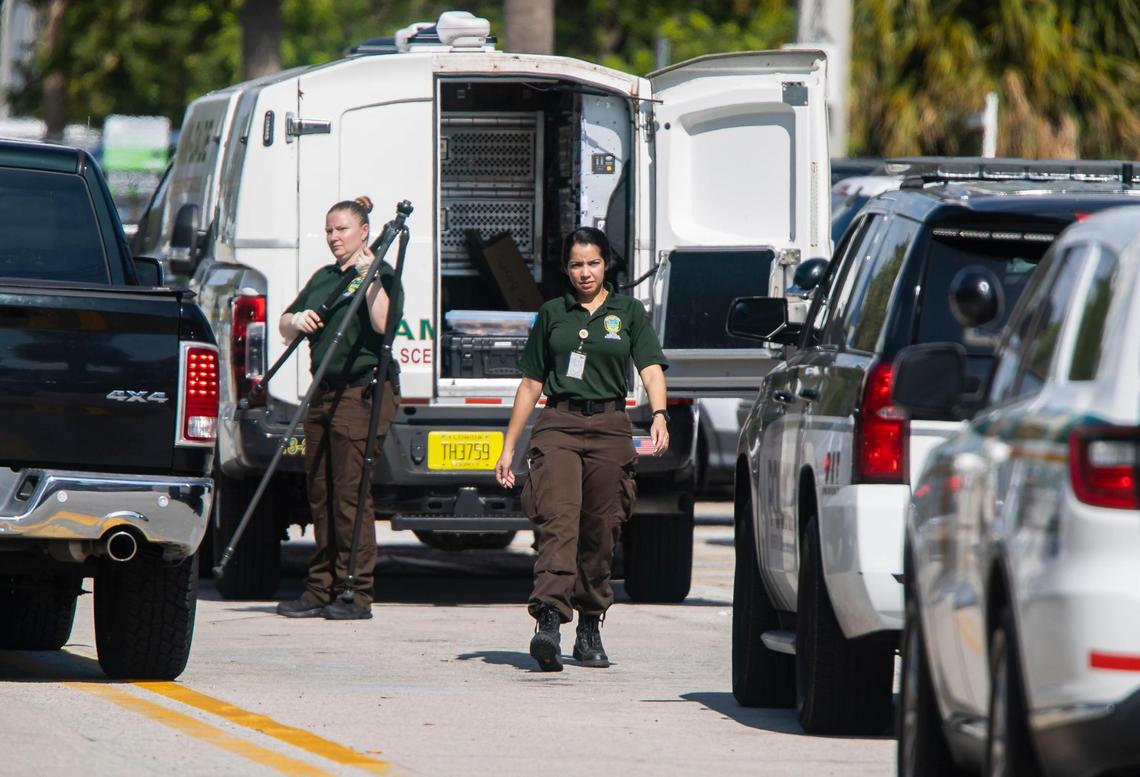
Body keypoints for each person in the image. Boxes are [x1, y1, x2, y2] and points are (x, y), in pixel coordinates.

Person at [495, 227, 670, 671]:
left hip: (610, 425)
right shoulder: (553, 313)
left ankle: (590, 623)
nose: (585, 272)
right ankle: (549, 621)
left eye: (593, 263)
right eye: (576, 265)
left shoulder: (628, 311)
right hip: (559, 423)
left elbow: (650, 367)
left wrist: (660, 414)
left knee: (601, 528)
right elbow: (531, 383)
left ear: (606, 264)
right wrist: (509, 447)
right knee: (558, 522)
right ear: (566, 269)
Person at [275, 195, 402, 620]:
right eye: (329, 230)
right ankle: (321, 587)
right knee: (320, 491)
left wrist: (369, 275)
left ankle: (355, 592)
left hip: (361, 393)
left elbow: (384, 323)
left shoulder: (381, 274)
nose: (334, 237)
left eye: (342, 229)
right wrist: (297, 321)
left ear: (364, 232)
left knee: (350, 494)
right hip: (323, 392)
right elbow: (285, 322)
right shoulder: (325, 277)